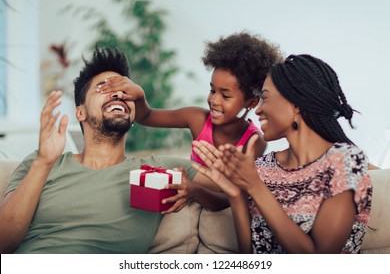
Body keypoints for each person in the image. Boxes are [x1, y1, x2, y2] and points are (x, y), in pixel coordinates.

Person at [0, 47, 223, 254]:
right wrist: (43, 162)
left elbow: (234, 187)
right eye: (104, 88)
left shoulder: (158, 171)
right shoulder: (39, 163)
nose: (118, 95)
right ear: (80, 112)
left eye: (124, 90)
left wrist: (194, 190)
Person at [192, 54, 373, 254]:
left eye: (265, 98)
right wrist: (236, 195)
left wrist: (255, 187)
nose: (258, 110)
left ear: (296, 104)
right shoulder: (262, 168)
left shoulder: (345, 161)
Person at [95, 31, 283, 161]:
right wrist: (139, 95)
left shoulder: (254, 142)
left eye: (225, 96)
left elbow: (233, 196)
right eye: (212, 90)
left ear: (251, 102)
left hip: (223, 207)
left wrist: (195, 190)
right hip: (188, 199)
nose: (214, 100)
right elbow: (146, 116)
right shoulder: (197, 119)